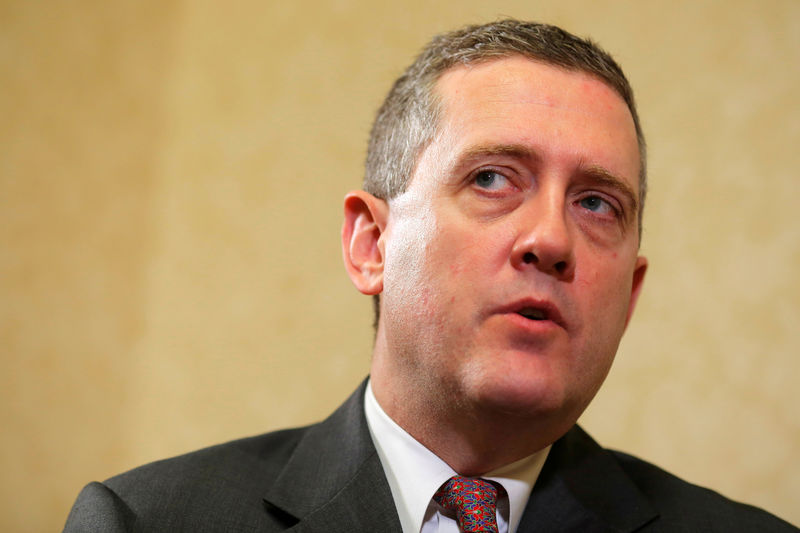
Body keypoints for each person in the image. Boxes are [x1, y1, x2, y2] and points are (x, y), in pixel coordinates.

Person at [63, 19, 797, 532]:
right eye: (491, 179)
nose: (550, 238)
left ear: (629, 296)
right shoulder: (148, 521)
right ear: (371, 244)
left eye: (597, 202)